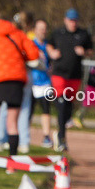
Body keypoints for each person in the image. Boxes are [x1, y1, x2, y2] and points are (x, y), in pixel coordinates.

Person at [0, 13, 39, 171]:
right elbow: (34, 55)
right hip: (15, 82)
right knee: (12, 124)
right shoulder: (19, 34)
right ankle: (11, 166)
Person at [46, 8, 92, 152]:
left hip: (75, 75)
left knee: (68, 107)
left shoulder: (83, 34)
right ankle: (61, 139)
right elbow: (49, 44)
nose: (73, 23)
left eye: (75, 20)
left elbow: (91, 51)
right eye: (71, 20)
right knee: (61, 102)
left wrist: (84, 52)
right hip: (59, 74)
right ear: (65, 20)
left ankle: (60, 132)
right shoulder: (58, 33)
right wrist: (51, 52)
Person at [29, 19, 54, 147]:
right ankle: (24, 136)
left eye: (44, 28)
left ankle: (46, 136)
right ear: (35, 30)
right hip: (31, 82)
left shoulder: (48, 46)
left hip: (45, 82)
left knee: (46, 109)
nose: (42, 31)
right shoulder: (30, 44)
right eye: (40, 28)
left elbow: (53, 61)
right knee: (29, 110)